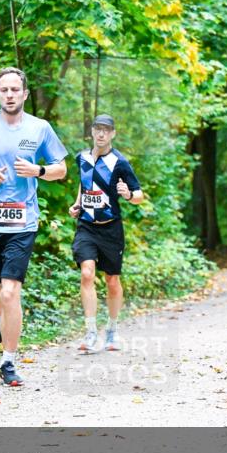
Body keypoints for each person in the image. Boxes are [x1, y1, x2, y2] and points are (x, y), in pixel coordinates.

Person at [0, 67, 68, 386]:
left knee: (10, 291)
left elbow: (61, 169)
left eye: (15, 90)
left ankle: (8, 361)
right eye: (4, 89)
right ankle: (2, 321)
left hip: (22, 223)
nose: (9, 95)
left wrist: (39, 170)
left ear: (25, 94)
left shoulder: (40, 128)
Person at [68, 114, 143, 354]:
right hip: (87, 226)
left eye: (106, 130)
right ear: (92, 131)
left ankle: (112, 329)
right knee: (87, 273)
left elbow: (139, 194)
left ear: (112, 134)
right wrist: (77, 203)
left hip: (111, 229)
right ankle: (91, 332)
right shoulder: (81, 158)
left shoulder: (120, 162)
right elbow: (84, 182)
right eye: (98, 129)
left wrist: (128, 194)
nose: (101, 134)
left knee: (112, 281)